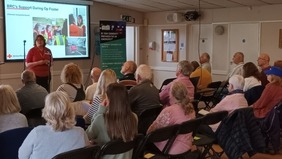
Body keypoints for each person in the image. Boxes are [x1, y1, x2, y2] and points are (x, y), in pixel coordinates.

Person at [19, 91, 89, 159]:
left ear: (47, 111)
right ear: (70, 110)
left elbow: (21, 156)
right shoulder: (80, 133)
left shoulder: (37, 133)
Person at [86, 83, 138, 159]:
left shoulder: (100, 119)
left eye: (106, 97)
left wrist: (100, 111)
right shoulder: (134, 117)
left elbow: (87, 136)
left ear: (109, 100)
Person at [147, 81, 195, 155]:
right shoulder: (191, 109)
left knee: (144, 143)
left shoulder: (169, 111)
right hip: (187, 145)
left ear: (171, 94)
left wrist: (146, 136)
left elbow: (152, 130)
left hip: (170, 148)